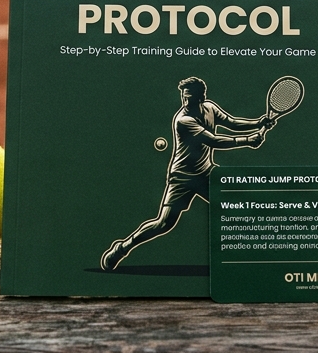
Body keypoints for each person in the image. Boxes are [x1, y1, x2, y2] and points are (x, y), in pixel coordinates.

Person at [101, 76, 272, 272]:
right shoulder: (183, 120)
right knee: (164, 224)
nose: (185, 101)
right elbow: (214, 140)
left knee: (235, 205)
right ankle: (122, 248)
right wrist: (248, 140)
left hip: (206, 172)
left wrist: (258, 122)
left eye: (189, 97)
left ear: (201, 97)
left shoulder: (210, 108)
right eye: (183, 96)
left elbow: (232, 123)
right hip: (182, 177)